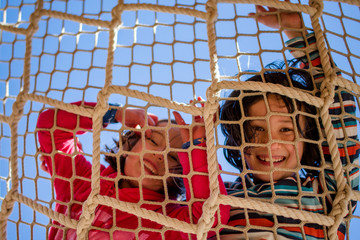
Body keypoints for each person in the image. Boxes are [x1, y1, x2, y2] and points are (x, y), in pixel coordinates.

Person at [218, 4, 359, 240]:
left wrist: (296, 32)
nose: (270, 142)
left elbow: (338, 106)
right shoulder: (222, 195)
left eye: (286, 129)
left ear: (307, 140)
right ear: (237, 138)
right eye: (256, 129)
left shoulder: (325, 194)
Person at [36, 100, 230, 239]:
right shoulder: (82, 182)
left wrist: (198, 148)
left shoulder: (168, 220)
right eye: (153, 140)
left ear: (184, 174)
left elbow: (211, 218)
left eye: (174, 156)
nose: (160, 154)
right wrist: (115, 114)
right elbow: (50, 127)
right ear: (130, 143)